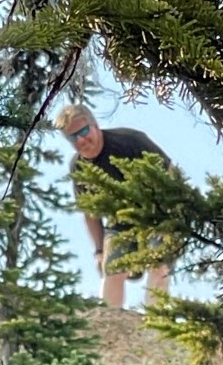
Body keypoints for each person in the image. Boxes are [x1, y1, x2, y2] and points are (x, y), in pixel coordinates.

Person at [56, 103, 171, 308]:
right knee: (112, 269)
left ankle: (157, 317)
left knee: (159, 263)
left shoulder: (130, 141)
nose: (81, 140)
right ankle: (110, 317)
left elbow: (169, 171)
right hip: (120, 221)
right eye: (73, 137)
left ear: (95, 125)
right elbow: (90, 212)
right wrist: (99, 251)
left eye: (83, 131)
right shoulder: (79, 167)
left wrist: (169, 216)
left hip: (156, 213)